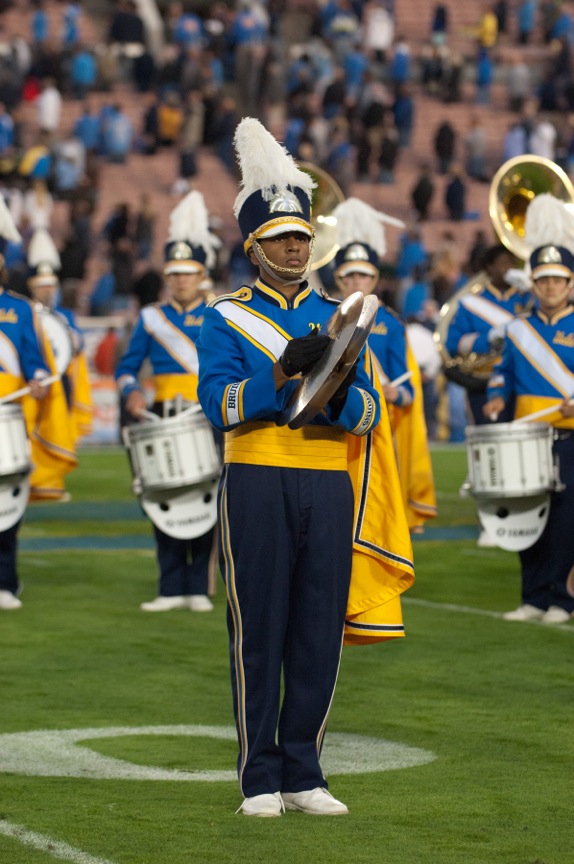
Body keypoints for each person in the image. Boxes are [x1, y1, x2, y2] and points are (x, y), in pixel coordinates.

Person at [197, 119, 414, 817]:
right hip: (258, 478)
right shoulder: (224, 317)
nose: (293, 247)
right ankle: (259, 777)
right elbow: (219, 402)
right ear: (254, 246)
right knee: (258, 627)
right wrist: (281, 377)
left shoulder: (341, 315)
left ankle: (304, 771)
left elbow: (373, 413)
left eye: (300, 236)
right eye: (278, 239)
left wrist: (335, 392)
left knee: (318, 628)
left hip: (328, 482)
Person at [115, 191, 219, 614]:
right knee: (164, 495)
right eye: (174, 273)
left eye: (188, 273)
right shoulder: (150, 317)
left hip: (206, 413)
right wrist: (131, 391)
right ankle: (169, 586)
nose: (180, 280)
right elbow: (125, 367)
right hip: (161, 414)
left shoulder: (220, 313)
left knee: (204, 495)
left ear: (201, 274)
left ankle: (197, 586)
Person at [332, 197, 437, 534]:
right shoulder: (323, 317)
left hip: (378, 426)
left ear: (374, 279)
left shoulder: (391, 325)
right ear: (338, 278)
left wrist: (395, 392)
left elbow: (408, 390)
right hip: (333, 424)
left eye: (362, 275)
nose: (355, 283)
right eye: (348, 276)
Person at [483, 243, 574, 624]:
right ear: (533, 285)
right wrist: (495, 399)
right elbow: (501, 374)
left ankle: (562, 600)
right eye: (543, 280)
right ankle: (532, 597)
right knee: (528, 517)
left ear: (570, 284)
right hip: (528, 437)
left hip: (569, 439)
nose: (551, 286)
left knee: (565, 521)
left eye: (558, 279)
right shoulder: (517, 328)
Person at [0, 198, 51, 609]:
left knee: (7, 497)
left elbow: (35, 360)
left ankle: (5, 581)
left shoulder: (20, 309)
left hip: (9, 414)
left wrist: (37, 381)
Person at [24, 228, 89, 498]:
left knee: (59, 426)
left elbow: (79, 346)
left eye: (51, 285)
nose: (47, 290)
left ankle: (51, 481)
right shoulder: (23, 312)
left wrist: (75, 340)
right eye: (41, 285)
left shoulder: (65, 316)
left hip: (60, 379)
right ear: (31, 286)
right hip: (31, 381)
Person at [445, 243, 532, 426]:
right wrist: (487, 339)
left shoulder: (528, 299)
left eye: (511, 263)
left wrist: (532, 289)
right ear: (489, 268)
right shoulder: (471, 303)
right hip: (483, 381)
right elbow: (452, 344)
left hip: (521, 379)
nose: (508, 269)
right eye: (502, 263)